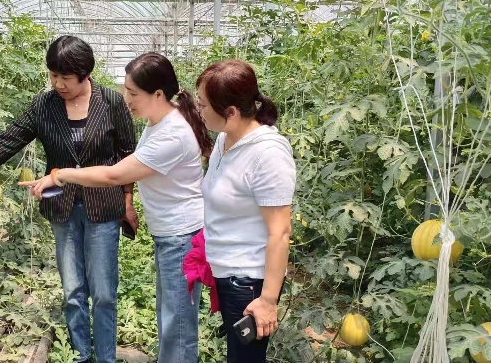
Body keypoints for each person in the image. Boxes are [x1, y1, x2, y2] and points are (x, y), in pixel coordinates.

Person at [19, 52, 212, 363]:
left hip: (181, 238)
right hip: (172, 236)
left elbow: (114, 174)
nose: (126, 99)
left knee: (176, 326)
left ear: (158, 94)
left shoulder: (173, 134)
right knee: (170, 319)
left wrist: (60, 174)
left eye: (133, 93)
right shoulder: (158, 122)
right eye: (125, 90)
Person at [0, 36, 137, 363]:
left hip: (104, 207)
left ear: (85, 73)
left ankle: (106, 358)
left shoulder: (111, 102)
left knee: (105, 293)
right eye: (53, 75)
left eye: (64, 77)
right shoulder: (45, 104)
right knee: (73, 291)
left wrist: (127, 201)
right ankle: (82, 354)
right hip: (62, 207)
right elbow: (10, 137)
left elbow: (128, 156)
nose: (57, 83)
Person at [195, 59, 295, 363]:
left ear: (231, 112)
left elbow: (280, 232)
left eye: (202, 104)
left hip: (249, 282)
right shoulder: (226, 139)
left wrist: (267, 301)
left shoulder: (267, 154)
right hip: (227, 272)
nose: (198, 109)